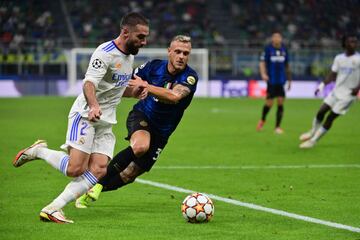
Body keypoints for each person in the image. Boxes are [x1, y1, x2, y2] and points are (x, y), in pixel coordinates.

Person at [12, 12, 150, 223]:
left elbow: (116, 90)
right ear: (125, 32)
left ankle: (53, 208)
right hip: (86, 115)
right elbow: (89, 84)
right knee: (75, 169)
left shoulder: (129, 57)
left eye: (145, 37)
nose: (144, 41)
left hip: (106, 122)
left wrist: (135, 92)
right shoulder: (104, 53)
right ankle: (38, 151)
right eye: (140, 36)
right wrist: (93, 105)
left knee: (99, 169)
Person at [75, 35, 198, 208]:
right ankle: (96, 183)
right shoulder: (153, 66)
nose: (181, 56)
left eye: (186, 53)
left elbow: (175, 96)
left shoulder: (190, 77)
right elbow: (127, 82)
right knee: (140, 146)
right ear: (169, 52)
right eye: (177, 51)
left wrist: (147, 86)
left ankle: (89, 191)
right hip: (142, 115)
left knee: (129, 175)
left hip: (163, 132)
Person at [299, 34, 359, 148]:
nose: (354, 44)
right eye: (351, 42)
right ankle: (312, 132)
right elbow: (333, 74)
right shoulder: (339, 58)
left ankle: (313, 141)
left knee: (330, 117)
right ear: (345, 43)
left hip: (348, 95)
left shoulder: (358, 59)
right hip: (336, 91)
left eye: (355, 42)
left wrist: (357, 88)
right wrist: (322, 85)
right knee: (321, 111)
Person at [256, 31, 292, 134]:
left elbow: (287, 66)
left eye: (278, 37)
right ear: (272, 39)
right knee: (269, 103)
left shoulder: (284, 50)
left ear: (281, 39)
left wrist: (290, 80)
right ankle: (262, 120)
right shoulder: (268, 49)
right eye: (274, 37)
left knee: (280, 102)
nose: (276, 39)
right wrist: (263, 74)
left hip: (281, 81)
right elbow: (262, 63)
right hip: (271, 80)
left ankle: (277, 127)